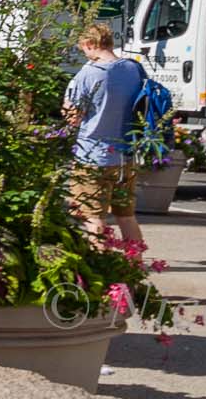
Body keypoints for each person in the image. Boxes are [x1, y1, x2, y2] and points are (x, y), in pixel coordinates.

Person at [62, 22, 145, 248]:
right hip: (126, 156)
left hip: (93, 156)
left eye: (84, 49)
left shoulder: (89, 73)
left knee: (93, 216)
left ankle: (99, 261)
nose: (85, 54)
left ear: (90, 44)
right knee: (126, 216)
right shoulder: (133, 69)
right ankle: (135, 263)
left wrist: (66, 108)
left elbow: (74, 117)